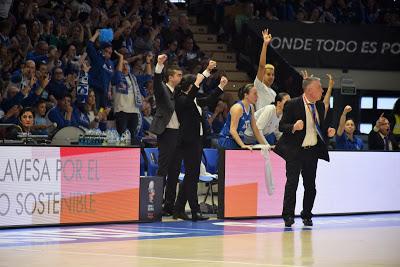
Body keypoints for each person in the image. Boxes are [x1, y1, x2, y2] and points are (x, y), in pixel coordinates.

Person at [274, 76, 336, 227]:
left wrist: (328, 131)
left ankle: (307, 214)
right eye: (319, 87)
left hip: (312, 151)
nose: (322, 90)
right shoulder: (292, 104)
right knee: (292, 184)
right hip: (295, 151)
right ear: (309, 90)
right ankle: (288, 215)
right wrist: (294, 127)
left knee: (310, 186)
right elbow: (282, 126)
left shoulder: (320, 106)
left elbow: (319, 127)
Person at [173, 61, 226, 221]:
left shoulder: (194, 100)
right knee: (192, 176)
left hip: (197, 141)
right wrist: (205, 73)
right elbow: (191, 95)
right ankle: (195, 211)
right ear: (190, 86)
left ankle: (178, 210)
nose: (198, 88)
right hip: (188, 141)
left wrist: (221, 86)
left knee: (191, 175)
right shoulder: (182, 100)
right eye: (195, 86)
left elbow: (210, 100)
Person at [149, 54, 182, 216]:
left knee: (175, 170)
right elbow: (156, 84)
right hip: (166, 133)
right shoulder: (163, 88)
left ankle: (169, 205)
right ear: (170, 77)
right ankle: (156, 204)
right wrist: (159, 66)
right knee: (163, 169)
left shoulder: (179, 93)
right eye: (178, 75)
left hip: (178, 134)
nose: (181, 77)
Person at [218, 84, 268, 149]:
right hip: (227, 140)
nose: (257, 96)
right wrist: (242, 145)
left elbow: (255, 128)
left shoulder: (251, 107)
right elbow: (232, 130)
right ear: (246, 95)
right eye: (255, 94)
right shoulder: (238, 108)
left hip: (237, 140)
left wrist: (264, 145)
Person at [113, 51, 143, 144]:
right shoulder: (115, 77)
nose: (125, 67)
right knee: (122, 138)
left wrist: (149, 62)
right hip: (122, 111)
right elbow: (118, 74)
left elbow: (148, 76)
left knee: (133, 138)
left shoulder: (133, 78)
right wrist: (121, 58)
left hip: (134, 111)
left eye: (127, 65)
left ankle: (132, 157)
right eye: (123, 64)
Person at [254, 29, 276, 111]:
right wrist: (265, 45)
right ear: (262, 75)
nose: (271, 77)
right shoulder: (259, 86)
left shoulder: (274, 93)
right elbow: (261, 66)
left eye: (273, 75)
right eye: (268, 74)